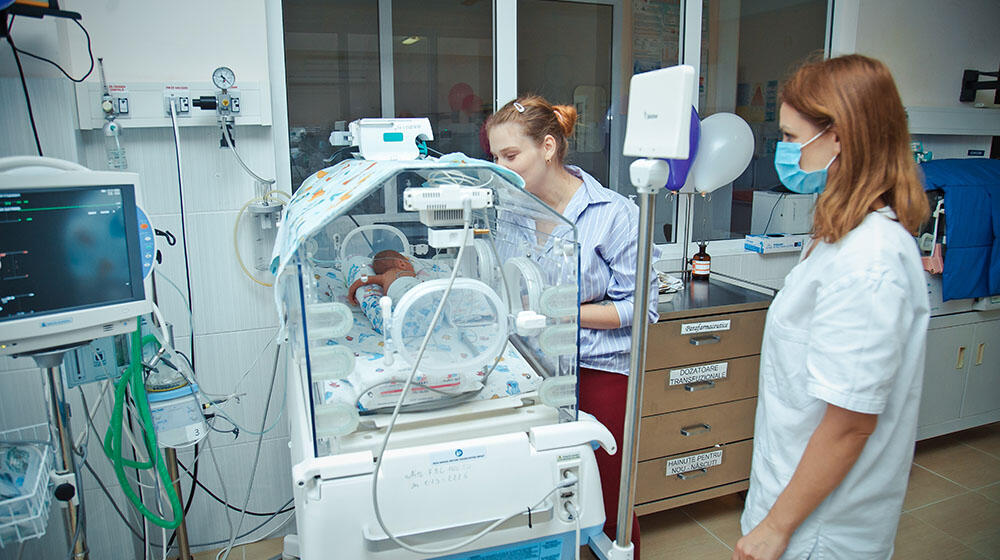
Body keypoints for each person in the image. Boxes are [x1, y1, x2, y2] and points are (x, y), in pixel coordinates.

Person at [735, 54, 930, 560]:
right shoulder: (841, 236)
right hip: (792, 494)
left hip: (819, 529)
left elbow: (850, 424)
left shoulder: (870, 260)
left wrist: (776, 528)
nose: (787, 152)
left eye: (795, 139)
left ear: (838, 137)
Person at [484, 95, 659, 557]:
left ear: (546, 147)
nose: (501, 167)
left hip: (598, 370)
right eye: (495, 158)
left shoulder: (613, 214)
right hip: (534, 369)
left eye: (510, 155)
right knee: (542, 487)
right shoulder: (514, 212)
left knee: (607, 488)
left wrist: (561, 312)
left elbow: (639, 309)